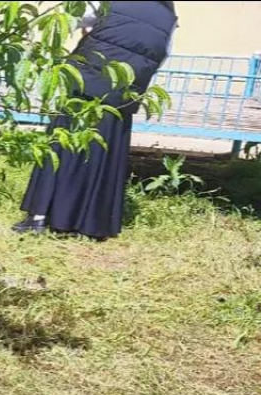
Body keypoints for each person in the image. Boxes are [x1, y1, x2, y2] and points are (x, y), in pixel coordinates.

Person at [14, 1, 178, 239]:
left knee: (62, 146)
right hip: (124, 93)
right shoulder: (168, 18)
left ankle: (39, 216)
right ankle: (89, 224)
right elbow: (162, 56)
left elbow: (76, 20)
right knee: (103, 156)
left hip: (86, 79)